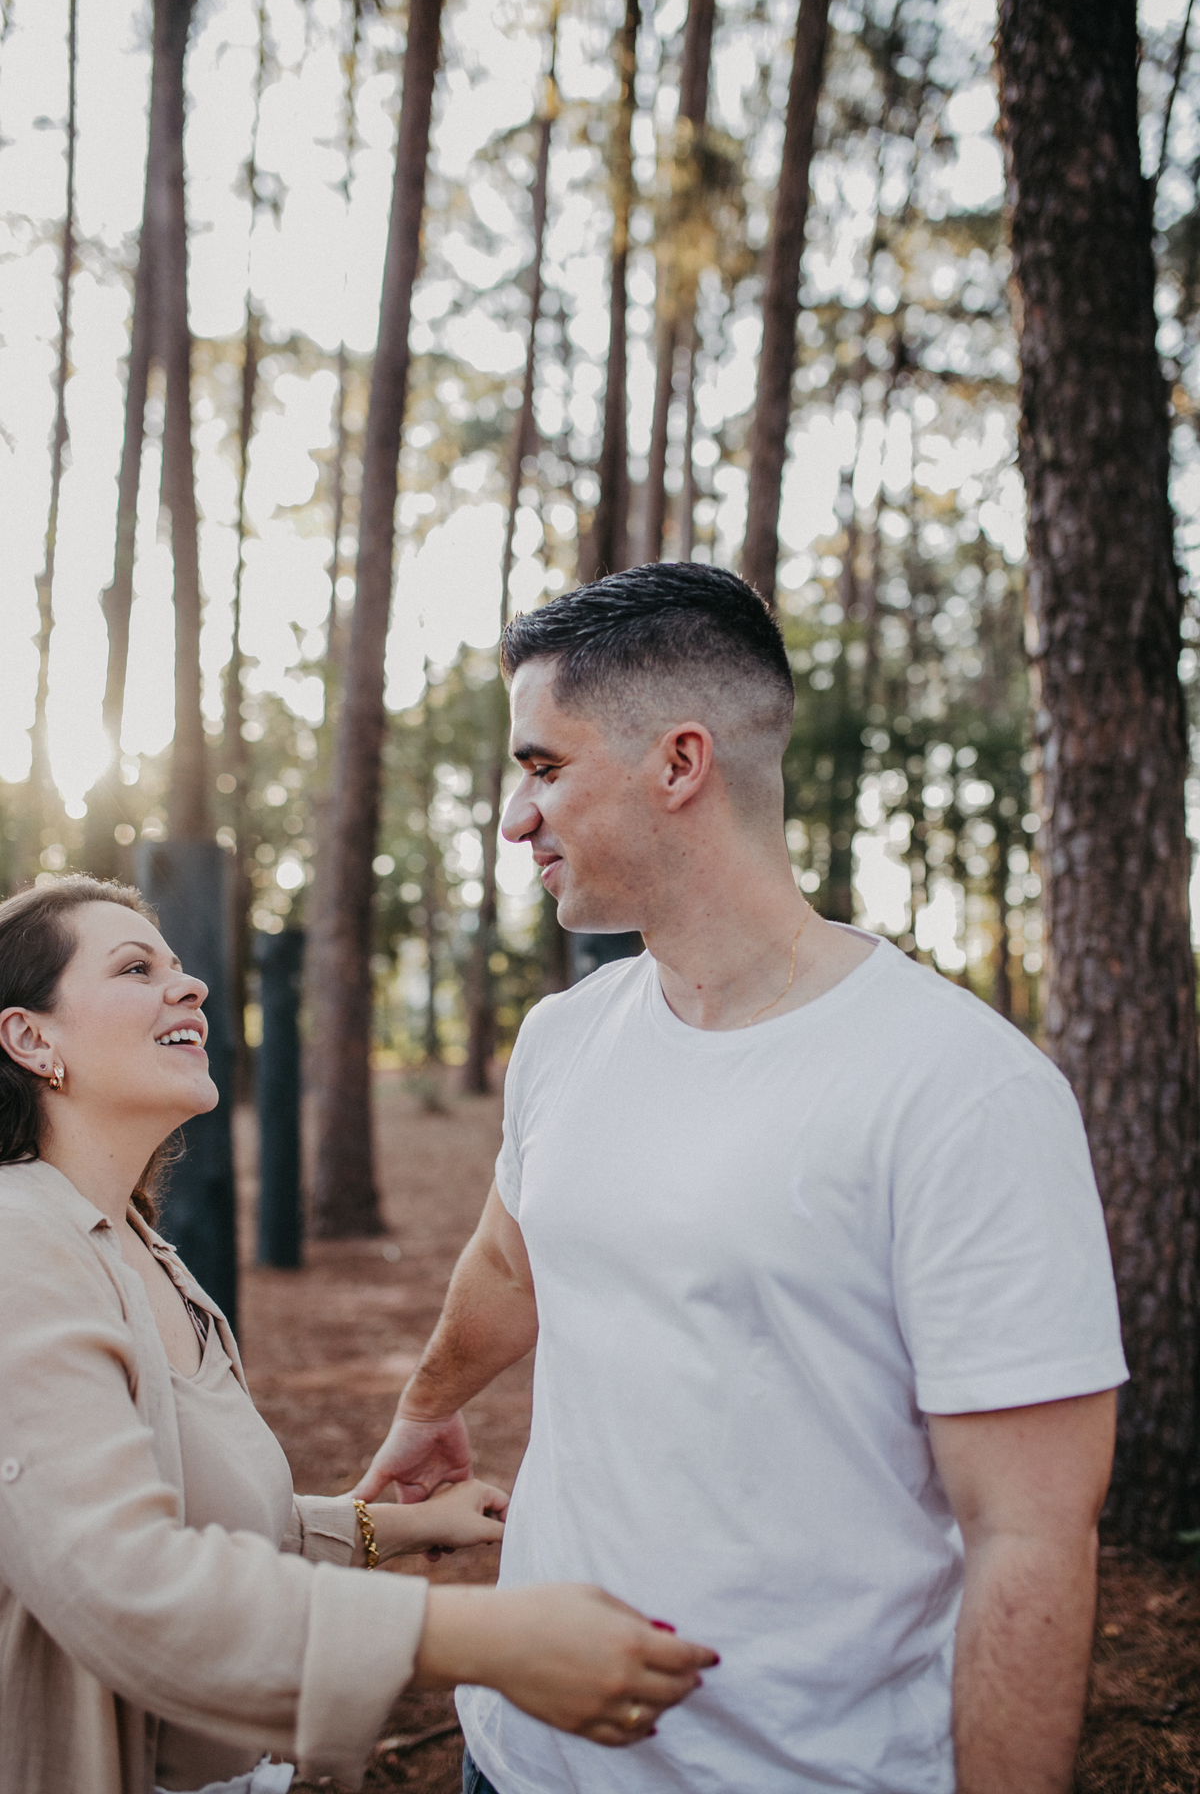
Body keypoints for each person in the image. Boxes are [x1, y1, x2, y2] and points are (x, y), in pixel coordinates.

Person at [356, 562, 1130, 1794]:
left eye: (542, 768)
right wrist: (426, 1405)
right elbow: (512, 1256)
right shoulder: (565, 1037)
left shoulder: (964, 1090)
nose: (515, 818)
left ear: (680, 763)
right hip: (517, 1758)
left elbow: (1029, 1537)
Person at [0, 876, 716, 1794]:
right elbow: (126, 1586)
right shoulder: (19, 1247)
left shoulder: (137, 1246)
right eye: (136, 969)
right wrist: (485, 1640)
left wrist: (396, 1526)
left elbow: (206, 1525)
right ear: (31, 1038)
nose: (192, 986)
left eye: (179, 966)